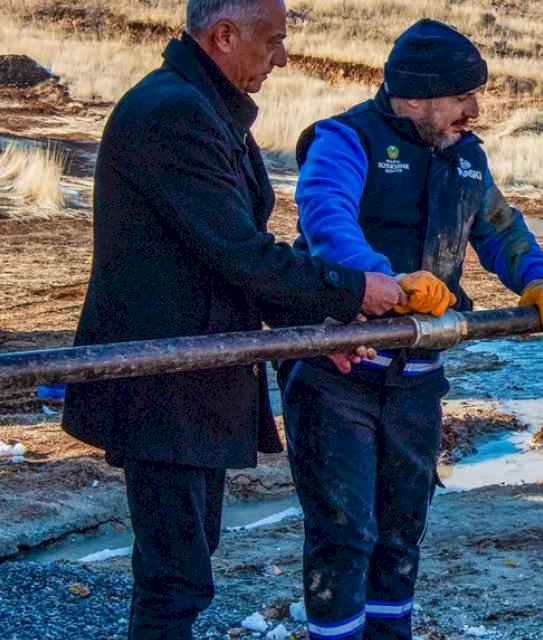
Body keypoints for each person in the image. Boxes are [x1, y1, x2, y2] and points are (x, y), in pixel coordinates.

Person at [60, 1, 409, 638]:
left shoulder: (204, 106)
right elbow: (240, 255)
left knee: (183, 569)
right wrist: (353, 291)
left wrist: (311, 335)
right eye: (272, 41)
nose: (282, 57)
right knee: (175, 580)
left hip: (195, 376)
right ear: (224, 35)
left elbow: (226, 260)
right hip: (163, 382)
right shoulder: (175, 114)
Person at [281, 19, 543, 639]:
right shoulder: (344, 140)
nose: (475, 111)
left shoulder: (466, 157)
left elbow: (500, 228)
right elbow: (327, 219)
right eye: (462, 96)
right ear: (414, 97)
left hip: (417, 380)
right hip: (338, 374)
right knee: (343, 533)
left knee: (401, 532)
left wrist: (539, 281)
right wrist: (387, 282)